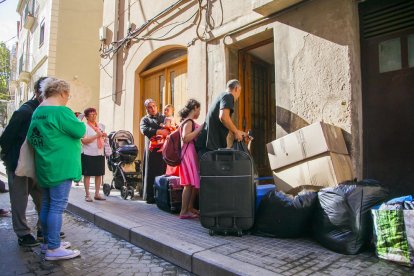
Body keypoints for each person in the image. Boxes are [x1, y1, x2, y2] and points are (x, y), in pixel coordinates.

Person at [27, 77, 85, 261]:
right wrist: (78, 120)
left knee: (46, 204)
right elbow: (80, 131)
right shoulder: (61, 111)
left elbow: (32, 137)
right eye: (67, 94)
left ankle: (48, 242)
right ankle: (54, 247)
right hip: (61, 165)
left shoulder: (38, 112)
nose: (68, 98)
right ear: (61, 92)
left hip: (44, 164)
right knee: (57, 206)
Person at [0, 77, 47, 247]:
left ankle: (43, 229)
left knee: (43, 198)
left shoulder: (45, 112)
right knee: (20, 200)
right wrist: (10, 160)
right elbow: (5, 139)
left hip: (38, 165)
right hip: (19, 164)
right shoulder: (25, 112)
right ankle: (23, 234)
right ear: (37, 93)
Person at [201, 79, 247, 153]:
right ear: (236, 89)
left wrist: (238, 132)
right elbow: (224, 117)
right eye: (239, 93)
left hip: (207, 145)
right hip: (211, 147)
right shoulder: (228, 96)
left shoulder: (221, 96)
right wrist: (236, 132)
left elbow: (224, 121)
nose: (238, 98)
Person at [177, 99, 204, 219]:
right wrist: (200, 129)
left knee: (192, 183)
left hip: (190, 153)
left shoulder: (188, 121)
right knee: (188, 183)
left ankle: (190, 208)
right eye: (199, 109)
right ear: (194, 108)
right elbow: (185, 138)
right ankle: (184, 211)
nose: (199, 112)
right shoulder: (188, 121)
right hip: (188, 154)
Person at [140, 99, 169, 203]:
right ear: (146, 109)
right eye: (149, 107)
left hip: (164, 150)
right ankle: (151, 197)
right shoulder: (145, 119)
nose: (152, 109)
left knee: (164, 172)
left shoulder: (164, 117)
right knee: (151, 172)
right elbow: (144, 130)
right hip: (151, 151)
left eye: (154, 106)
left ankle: (163, 197)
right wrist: (159, 131)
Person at [81, 107, 107, 202]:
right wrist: (96, 136)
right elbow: (84, 141)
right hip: (88, 153)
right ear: (87, 117)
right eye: (91, 114)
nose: (94, 116)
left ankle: (97, 193)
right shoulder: (84, 127)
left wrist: (103, 135)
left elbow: (102, 136)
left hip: (99, 152)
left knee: (98, 174)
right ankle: (87, 194)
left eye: (95, 114)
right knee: (87, 174)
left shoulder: (100, 125)